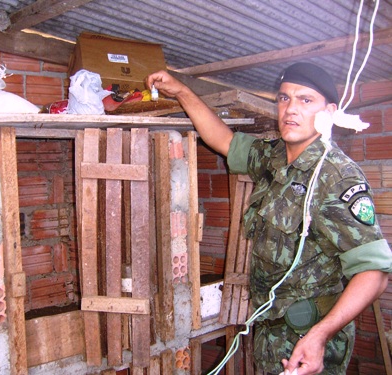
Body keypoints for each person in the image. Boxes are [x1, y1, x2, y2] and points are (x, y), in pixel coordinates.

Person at [146, 62, 392, 375]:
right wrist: (182, 91)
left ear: (328, 112)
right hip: (269, 331)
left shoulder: (336, 178)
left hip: (309, 338)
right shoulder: (273, 157)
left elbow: (374, 272)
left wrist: (320, 335)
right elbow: (224, 141)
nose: (291, 109)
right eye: (284, 99)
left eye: (305, 100)